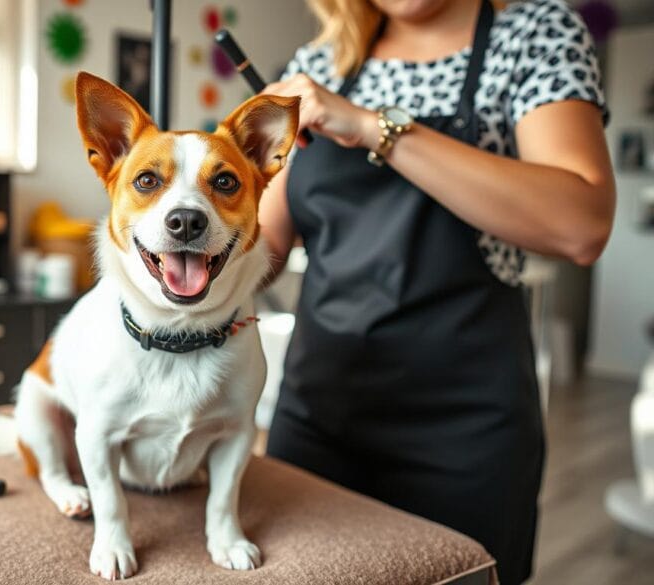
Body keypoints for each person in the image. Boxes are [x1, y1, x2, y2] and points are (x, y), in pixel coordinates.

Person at [259, 0, 614, 583]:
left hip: (462, 433)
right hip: (317, 416)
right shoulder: (318, 65)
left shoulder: (534, 33)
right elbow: (264, 248)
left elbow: (582, 225)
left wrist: (374, 127)